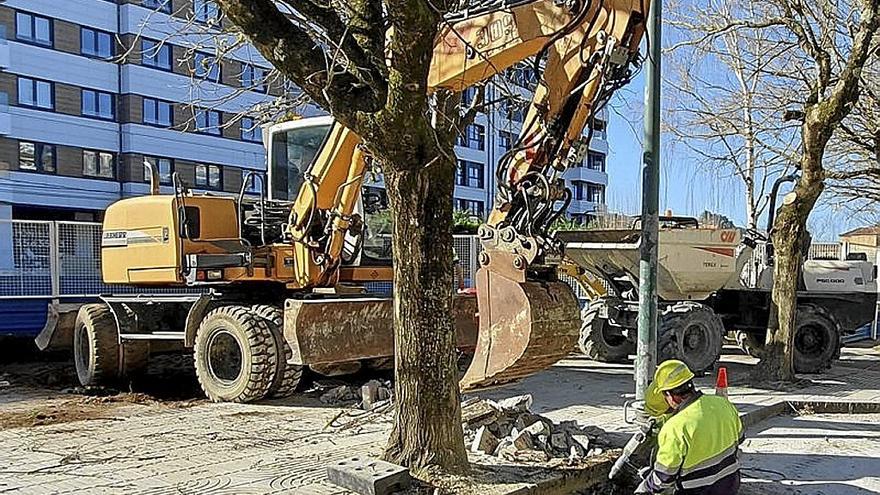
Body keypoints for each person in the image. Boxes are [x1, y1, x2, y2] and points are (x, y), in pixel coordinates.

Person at [636, 360, 743, 495]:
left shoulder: (675, 427)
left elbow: (664, 477)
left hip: (697, 490)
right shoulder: (723, 404)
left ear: (671, 396)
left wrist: (645, 486)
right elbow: (740, 438)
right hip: (729, 485)